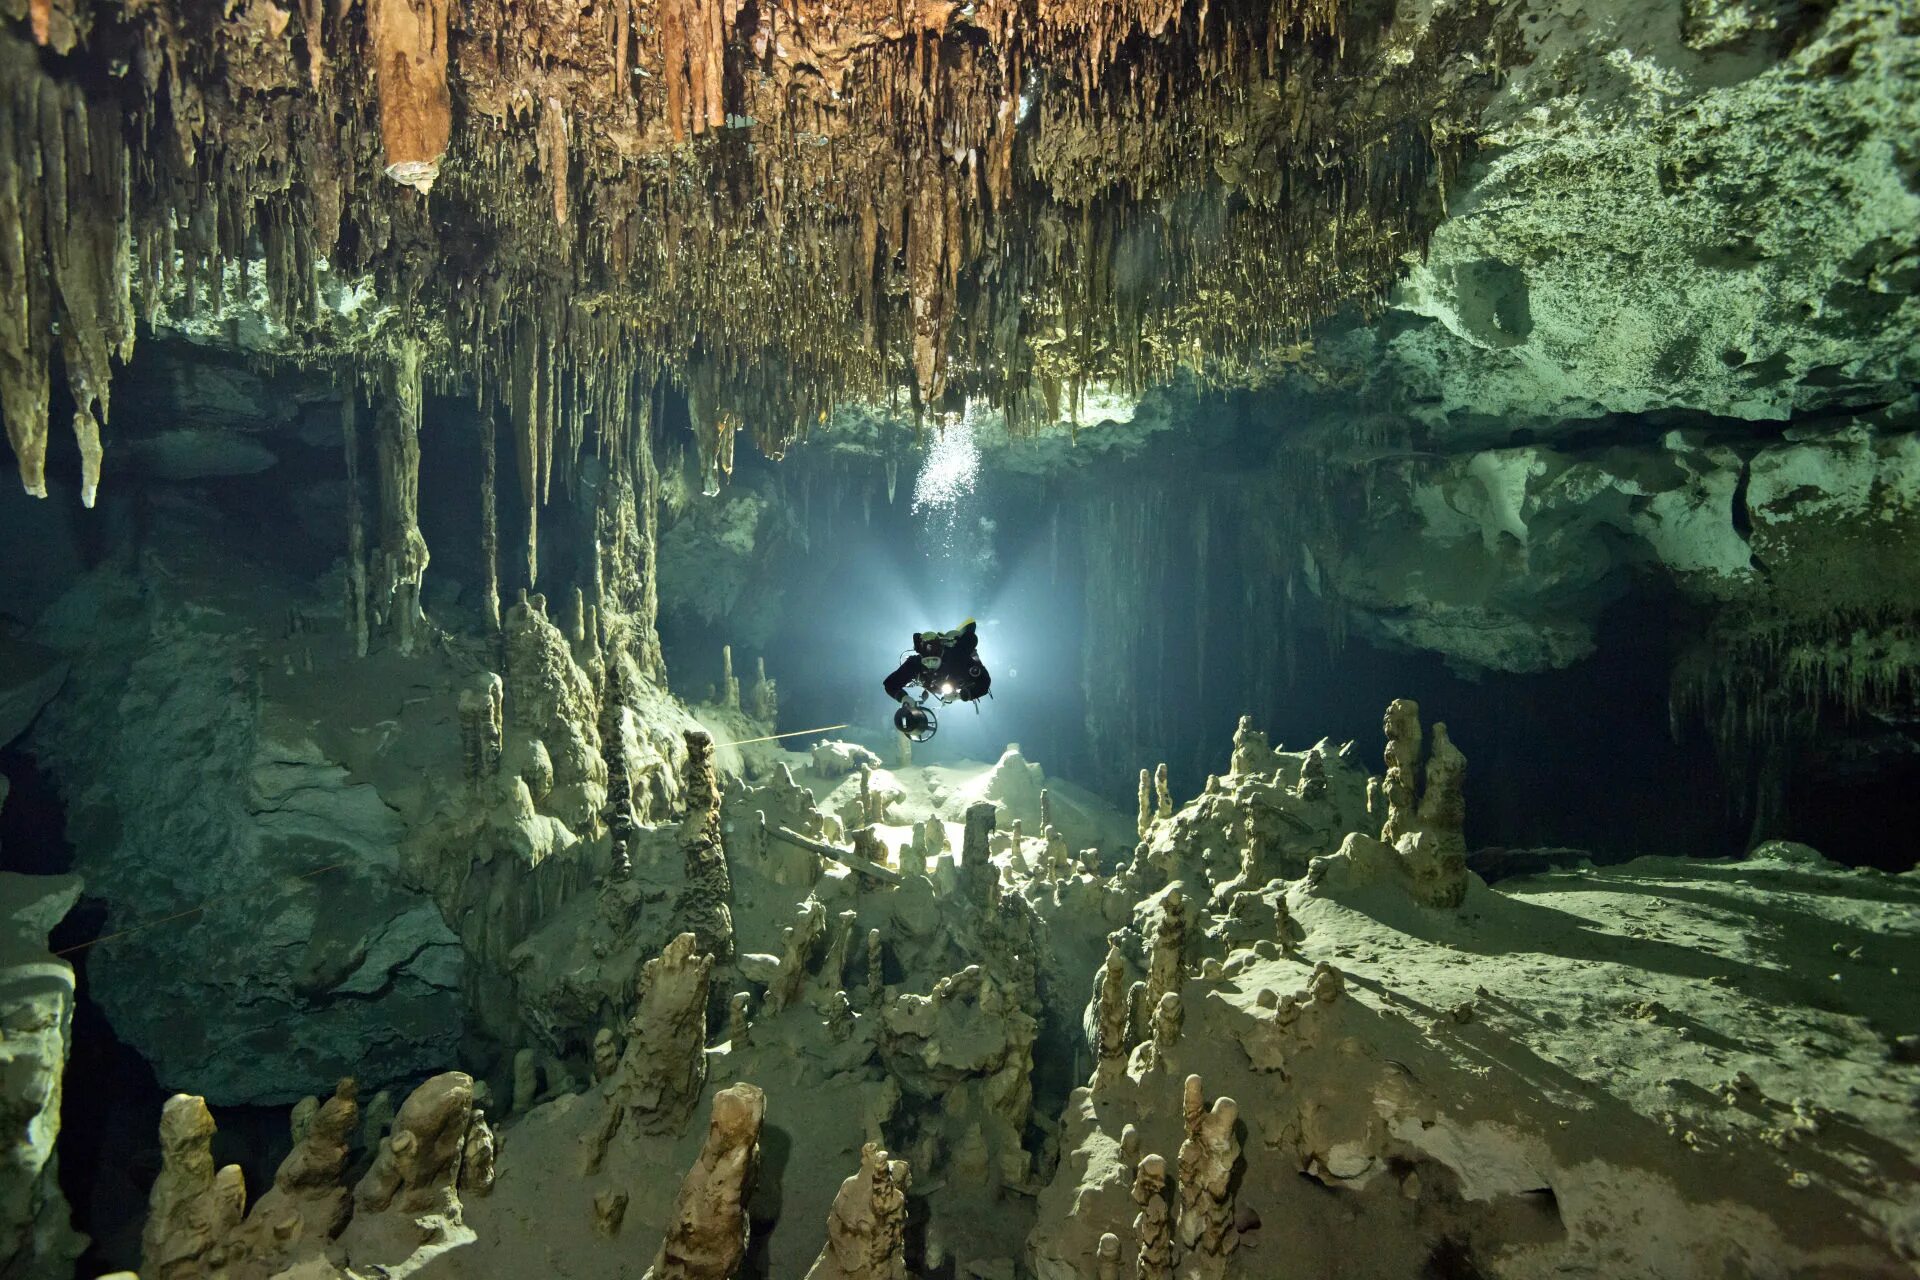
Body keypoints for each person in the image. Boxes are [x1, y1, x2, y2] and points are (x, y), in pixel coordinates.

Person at [884, 619, 991, 720]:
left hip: (957, 682)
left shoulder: (958, 658)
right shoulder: (915, 663)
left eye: (934, 660)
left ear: (942, 651)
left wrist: (961, 695)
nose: (930, 665)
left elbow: (984, 682)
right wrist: (904, 698)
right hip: (936, 685)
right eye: (926, 661)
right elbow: (890, 684)